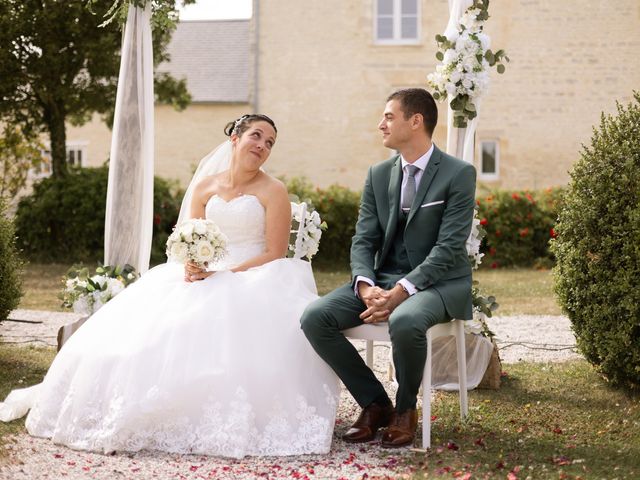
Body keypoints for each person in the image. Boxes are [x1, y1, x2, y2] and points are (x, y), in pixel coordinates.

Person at [0, 115, 339, 458]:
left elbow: (274, 252)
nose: (262, 146)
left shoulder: (274, 190)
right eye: (256, 136)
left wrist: (227, 273)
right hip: (205, 271)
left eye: (270, 143)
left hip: (254, 274)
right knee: (154, 325)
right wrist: (193, 263)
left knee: (225, 317)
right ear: (235, 138)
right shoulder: (206, 186)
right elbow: (190, 236)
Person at [301, 88, 476, 448]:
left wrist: (400, 293)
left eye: (389, 116)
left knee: (406, 320)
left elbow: (448, 248)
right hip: (382, 280)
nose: (381, 124)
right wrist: (366, 287)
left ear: (416, 122)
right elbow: (364, 239)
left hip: (439, 283)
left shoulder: (458, 174)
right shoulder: (379, 174)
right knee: (315, 317)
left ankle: (405, 409)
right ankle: (375, 402)